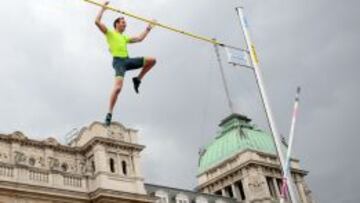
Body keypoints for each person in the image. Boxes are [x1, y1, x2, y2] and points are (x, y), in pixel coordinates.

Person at [95, 1, 157, 126]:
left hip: (127, 60)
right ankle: (109, 113)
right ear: (117, 24)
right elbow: (96, 22)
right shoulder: (110, 33)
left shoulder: (124, 38)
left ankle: (137, 79)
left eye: (125, 24)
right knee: (118, 88)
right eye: (123, 23)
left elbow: (140, 39)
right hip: (119, 62)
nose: (125, 25)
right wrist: (103, 8)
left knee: (152, 61)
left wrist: (148, 28)